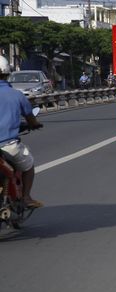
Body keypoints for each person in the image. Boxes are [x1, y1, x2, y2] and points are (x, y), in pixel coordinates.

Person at [0, 56, 43, 208]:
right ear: (8, 74)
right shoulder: (17, 95)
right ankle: (26, 197)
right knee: (29, 165)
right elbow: (31, 118)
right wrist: (35, 124)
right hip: (8, 145)